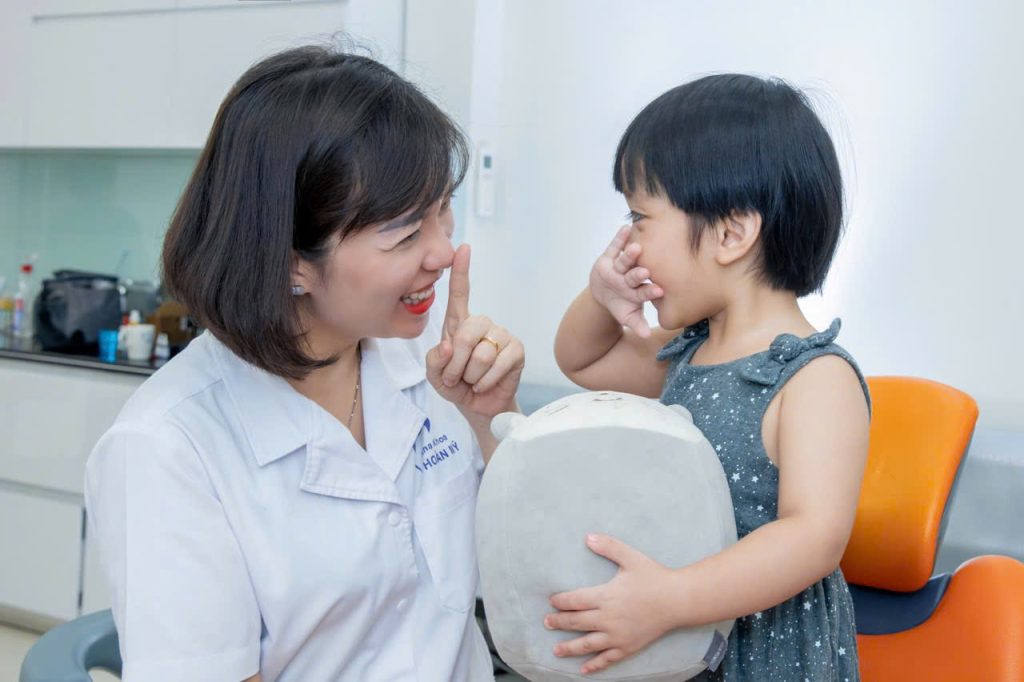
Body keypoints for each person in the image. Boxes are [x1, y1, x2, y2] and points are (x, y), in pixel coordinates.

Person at [84, 45, 524, 682]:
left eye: (442, 211)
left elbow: (532, 566)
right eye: (405, 235)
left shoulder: (428, 361)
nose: (443, 252)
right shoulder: (167, 448)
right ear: (292, 261)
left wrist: (494, 420)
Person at [549, 74, 870, 680]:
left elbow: (813, 537)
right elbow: (581, 360)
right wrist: (600, 295)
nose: (628, 244)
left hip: (766, 654)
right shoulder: (689, 353)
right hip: (677, 637)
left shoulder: (814, 378)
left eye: (639, 217)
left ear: (731, 234)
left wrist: (671, 599)